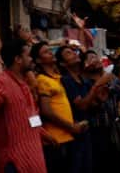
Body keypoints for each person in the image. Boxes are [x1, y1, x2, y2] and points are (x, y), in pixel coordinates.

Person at [0, 38, 48, 173]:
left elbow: (30, 117)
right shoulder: (3, 81)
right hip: (14, 161)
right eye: (28, 55)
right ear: (18, 59)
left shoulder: (24, 84)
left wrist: (44, 134)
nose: (32, 59)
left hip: (34, 157)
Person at [32, 42, 86, 172]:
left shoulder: (57, 78)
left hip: (66, 137)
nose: (50, 53)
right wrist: (71, 127)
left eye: (50, 50)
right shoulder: (42, 80)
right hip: (56, 140)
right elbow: (46, 111)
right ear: (38, 60)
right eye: (45, 52)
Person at [59, 46, 109, 173]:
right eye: (68, 53)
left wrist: (100, 92)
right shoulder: (66, 80)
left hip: (88, 130)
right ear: (62, 63)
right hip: (75, 131)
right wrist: (97, 85)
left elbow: (93, 103)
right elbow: (81, 105)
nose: (74, 54)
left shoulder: (83, 80)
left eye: (73, 51)